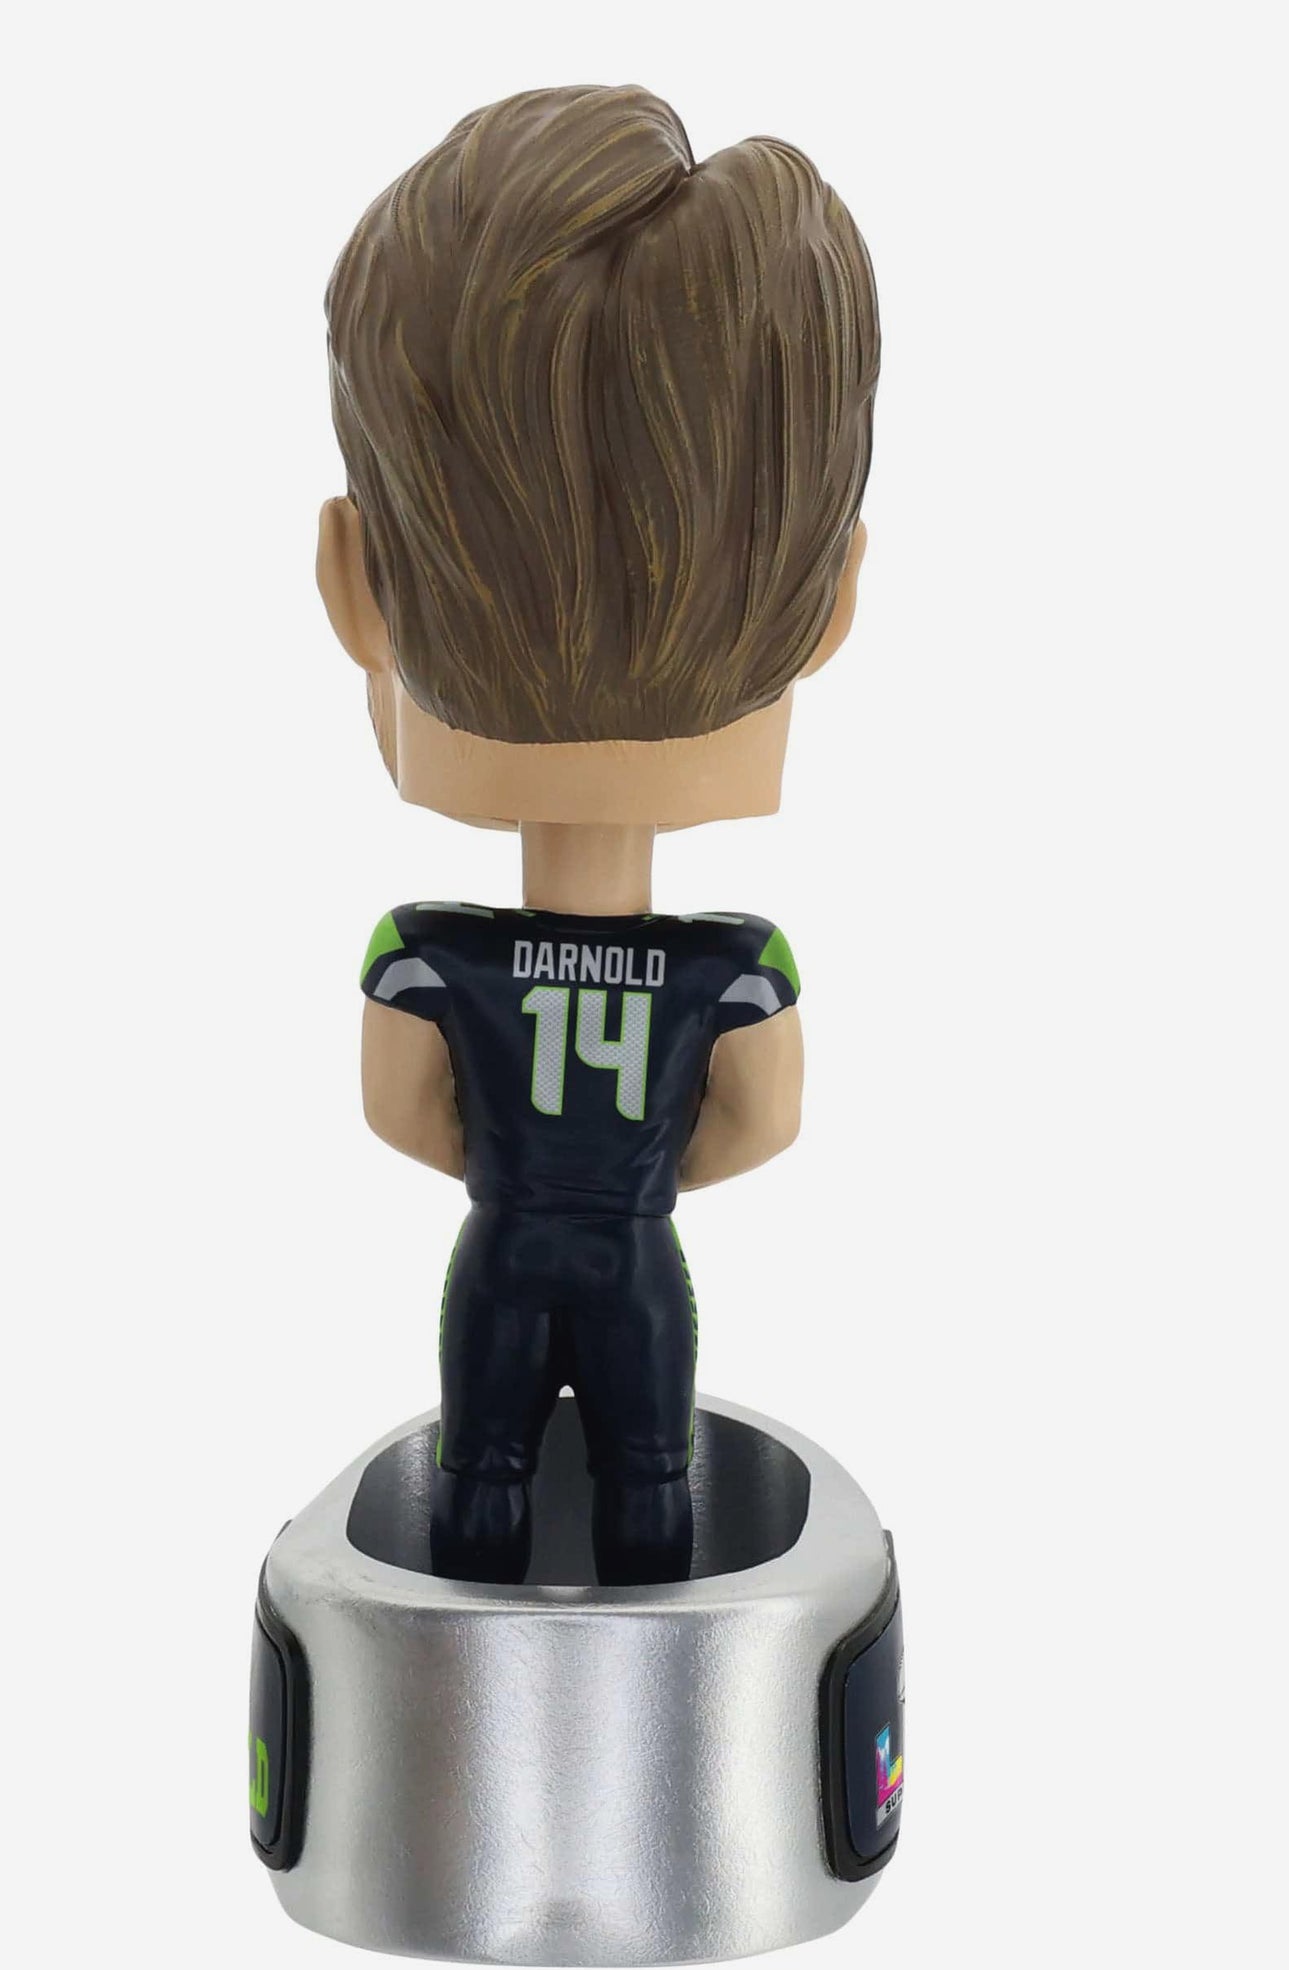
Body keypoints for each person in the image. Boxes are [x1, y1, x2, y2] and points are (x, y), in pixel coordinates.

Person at [317, 85, 878, 1586]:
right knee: (651, 1478)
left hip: (504, 1246)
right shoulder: (734, 970)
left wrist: (532, 1169)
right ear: (832, 608)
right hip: (635, 1251)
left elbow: (402, 1115)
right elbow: (760, 1126)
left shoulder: (426, 956)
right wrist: (623, 1177)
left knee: (481, 1469)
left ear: (354, 590)